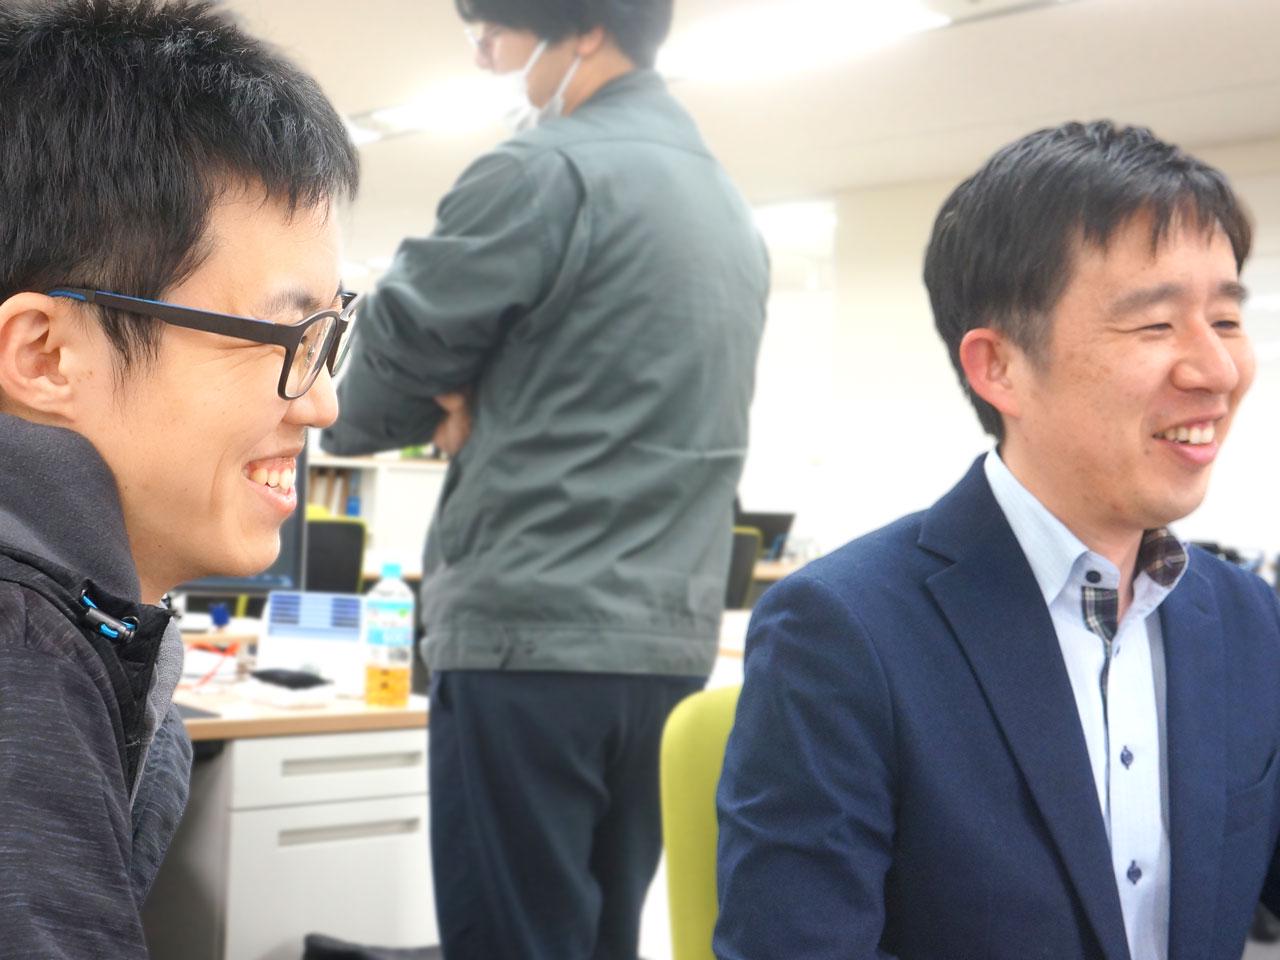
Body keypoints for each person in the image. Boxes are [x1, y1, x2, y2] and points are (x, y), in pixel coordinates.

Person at [716, 120, 1280, 960]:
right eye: (1157, 325)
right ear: (999, 366)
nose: (1218, 370)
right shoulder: (843, 632)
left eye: (1227, 320)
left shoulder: (1248, 621)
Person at [321, 0, 769, 956]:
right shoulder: (729, 208)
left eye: (496, 32)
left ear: (587, 28)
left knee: (511, 938)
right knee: (605, 936)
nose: (486, 57)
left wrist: (439, 407)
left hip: (529, 635)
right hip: (666, 648)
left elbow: (378, 373)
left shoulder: (540, 171)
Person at [0, 2, 359, 956]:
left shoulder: (73, 628)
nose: (322, 405)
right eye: (285, 338)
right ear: (45, 355)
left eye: (328, 338)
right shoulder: (20, 660)